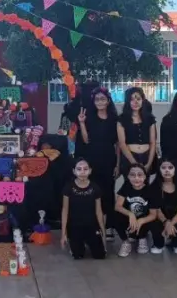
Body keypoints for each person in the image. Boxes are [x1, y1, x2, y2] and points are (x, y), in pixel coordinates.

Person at [75, 87, 119, 240]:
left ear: (108, 101)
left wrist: (118, 165)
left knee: (108, 193)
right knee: (93, 192)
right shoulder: (89, 118)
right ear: (93, 102)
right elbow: (86, 140)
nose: (100, 102)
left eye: (103, 99)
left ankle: (108, 227)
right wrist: (81, 123)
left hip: (109, 160)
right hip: (92, 160)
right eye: (97, 99)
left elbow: (117, 144)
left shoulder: (114, 119)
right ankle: (94, 225)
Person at [60, 158, 106, 260]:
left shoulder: (95, 188)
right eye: (79, 169)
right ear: (74, 171)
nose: (82, 172)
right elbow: (65, 211)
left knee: (100, 255)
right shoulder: (68, 188)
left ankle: (91, 241)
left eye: (85, 169)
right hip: (75, 226)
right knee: (78, 255)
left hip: (91, 225)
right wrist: (63, 234)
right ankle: (77, 244)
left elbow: (99, 211)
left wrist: (103, 232)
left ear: (90, 171)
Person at [114, 162, 159, 257]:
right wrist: (131, 214)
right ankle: (126, 241)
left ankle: (142, 238)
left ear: (145, 176)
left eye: (140, 175)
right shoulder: (126, 186)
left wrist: (141, 220)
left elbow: (153, 214)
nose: (136, 178)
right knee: (114, 215)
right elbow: (118, 206)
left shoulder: (150, 190)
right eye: (132, 175)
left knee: (154, 220)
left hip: (143, 220)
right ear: (128, 176)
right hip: (130, 220)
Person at [116, 87, 157, 172]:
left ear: (143, 100)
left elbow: (153, 142)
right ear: (128, 102)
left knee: (145, 184)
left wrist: (149, 163)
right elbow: (122, 144)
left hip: (147, 157)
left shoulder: (149, 119)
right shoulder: (122, 119)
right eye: (132, 99)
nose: (136, 102)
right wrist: (134, 163)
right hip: (129, 157)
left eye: (138, 99)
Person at [152, 158, 177, 254]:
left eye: (170, 167)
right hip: (161, 216)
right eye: (163, 167)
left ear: (175, 169)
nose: (167, 170)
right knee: (154, 222)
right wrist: (166, 222)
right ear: (159, 170)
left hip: (176, 216)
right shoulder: (155, 186)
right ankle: (158, 244)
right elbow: (157, 209)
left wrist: (171, 223)